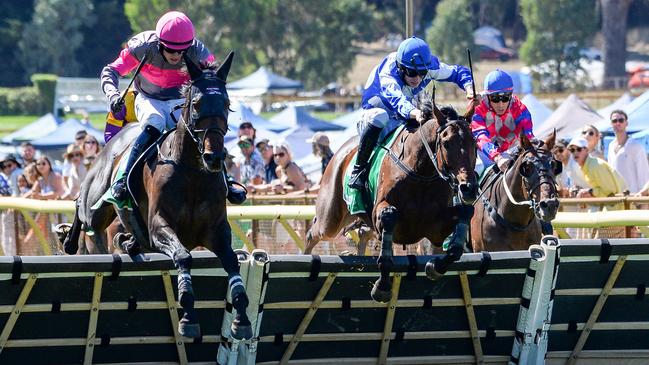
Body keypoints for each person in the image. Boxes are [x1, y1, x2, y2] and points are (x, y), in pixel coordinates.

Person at [100, 11, 243, 205]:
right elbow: (111, 71)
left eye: (181, 51)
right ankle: (122, 179)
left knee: (203, 129)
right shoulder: (142, 47)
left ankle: (225, 182)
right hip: (149, 99)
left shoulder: (198, 52)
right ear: (159, 43)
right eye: (171, 50)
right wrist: (114, 95)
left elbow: (212, 80)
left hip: (180, 101)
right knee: (155, 123)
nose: (177, 55)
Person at [349, 36, 475, 190]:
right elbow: (398, 101)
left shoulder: (429, 66)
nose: (418, 78)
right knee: (379, 116)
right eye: (412, 72)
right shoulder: (388, 73)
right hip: (376, 115)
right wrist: (414, 112)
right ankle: (359, 170)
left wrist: (470, 89)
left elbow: (458, 72)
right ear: (400, 67)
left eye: (422, 73)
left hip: (404, 115)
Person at [471, 69, 534, 172]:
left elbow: (528, 136)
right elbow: (480, 136)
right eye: (495, 98)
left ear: (511, 95)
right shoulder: (478, 107)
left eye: (505, 98)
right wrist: (497, 157)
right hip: (483, 156)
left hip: (511, 152)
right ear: (487, 96)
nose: (501, 104)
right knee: (476, 169)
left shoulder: (520, 108)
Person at [607, 110, 649, 194]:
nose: (618, 123)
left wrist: (643, 200)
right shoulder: (611, 146)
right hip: (616, 198)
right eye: (614, 121)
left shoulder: (636, 146)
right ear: (611, 124)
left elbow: (644, 175)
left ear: (626, 123)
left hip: (634, 198)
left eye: (621, 120)